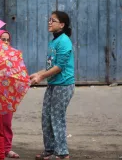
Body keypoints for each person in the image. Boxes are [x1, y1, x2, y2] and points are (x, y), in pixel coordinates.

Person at [30, 11, 75, 160]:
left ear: (61, 25)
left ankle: (62, 153)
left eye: (53, 20)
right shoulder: (54, 41)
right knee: (46, 117)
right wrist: (37, 74)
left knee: (57, 118)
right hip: (53, 84)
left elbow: (60, 67)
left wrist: (41, 77)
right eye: (49, 20)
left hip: (63, 85)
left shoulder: (64, 41)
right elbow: (51, 66)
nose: (49, 22)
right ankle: (49, 150)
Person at [0, 30, 20, 159]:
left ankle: (7, 148)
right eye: (3, 39)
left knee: (7, 123)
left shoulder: (13, 56)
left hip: (9, 94)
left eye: (7, 39)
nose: (6, 42)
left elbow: (19, 72)